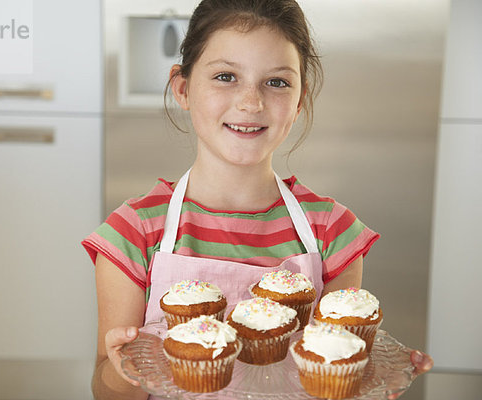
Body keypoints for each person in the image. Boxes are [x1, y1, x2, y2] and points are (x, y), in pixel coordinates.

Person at [82, 1, 433, 399]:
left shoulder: (332, 230)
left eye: (277, 82)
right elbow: (106, 392)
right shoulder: (134, 230)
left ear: (300, 100)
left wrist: (367, 379)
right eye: (226, 76)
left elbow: (334, 370)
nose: (251, 102)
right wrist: (120, 368)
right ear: (182, 88)